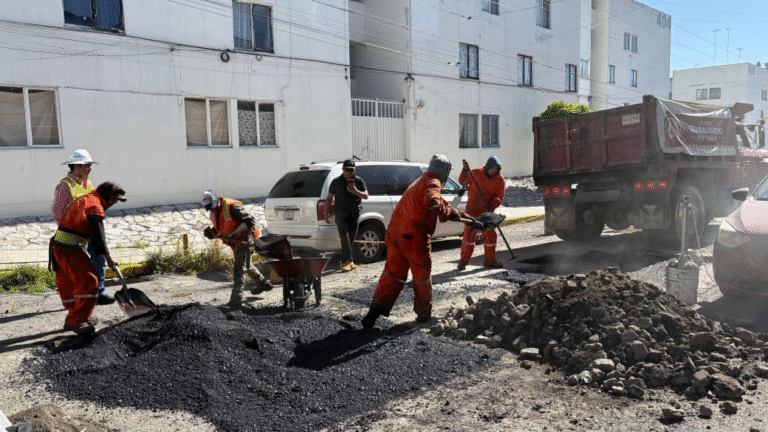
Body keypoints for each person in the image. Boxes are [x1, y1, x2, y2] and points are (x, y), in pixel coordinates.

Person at [361, 154, 480, 329]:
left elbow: (442, 204)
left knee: (392, 274)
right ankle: (424, 314)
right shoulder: (433, 182)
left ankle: (376, 308)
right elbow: (434, 201)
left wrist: (467, 218)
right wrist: (444, 212)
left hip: (395, 234)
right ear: (444, 172)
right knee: (422, 276)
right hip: (414, 237)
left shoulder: (419, 182)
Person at [50, 182, 127, 335]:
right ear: (107, 195)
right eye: (114, 198)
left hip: (63, 246)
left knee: (74, 282)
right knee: (89, 281)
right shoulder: (94, 207)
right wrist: (109, 260)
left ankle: (74, 318)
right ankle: (77, 321)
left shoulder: (90, 199)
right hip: (68, 248)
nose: (115, 202)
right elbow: (99, 240)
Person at [51, 149, 114, 305]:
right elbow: (57, 214)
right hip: (75, 235)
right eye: (87, 165)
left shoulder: (88, 183)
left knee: (99, 259)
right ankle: (81, 296)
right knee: (80, 266)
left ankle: (99, 293)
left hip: (90, 230)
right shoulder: (64, 186)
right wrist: (73, 230)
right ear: (77, 166)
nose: (90, 169)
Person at [201, 190, 273, 309]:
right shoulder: (213, 213)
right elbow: (222, 227)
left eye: (213, 206)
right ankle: (264, 284)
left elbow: (251, 220)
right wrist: (212, 233)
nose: (212, 209)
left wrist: (249, 237)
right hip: (236, 241)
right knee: (246, 265)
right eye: (210, 208)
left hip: (245, 239)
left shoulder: (232, 207)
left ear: (217, 200)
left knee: (239, 268)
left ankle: (236, 300)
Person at [457, 155, 506, 270]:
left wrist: (493, 205)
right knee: (469, 237)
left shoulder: (500, 180)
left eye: (496, 169)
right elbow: (462, 182)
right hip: (472, 211)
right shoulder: (475, 173)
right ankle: (463, 261)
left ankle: (490, 261)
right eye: (492, 168)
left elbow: (499, 196)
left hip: (487, 213)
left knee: (491, 235)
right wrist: (465, 170)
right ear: (488, 166)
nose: (493, 171)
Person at [325, 159, 368, 272]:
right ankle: (348, 261)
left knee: (351, 239)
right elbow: (329, 198)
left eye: (351, 170)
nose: (349, 173)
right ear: (343, 170)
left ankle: (348, 261)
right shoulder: (336, 181)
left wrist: (355, 191)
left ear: (354, 170)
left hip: (354, 213)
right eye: (346, 170)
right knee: (345, 238)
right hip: (341, 214)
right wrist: (326, 212)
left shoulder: (358, 181)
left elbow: (366, 196)